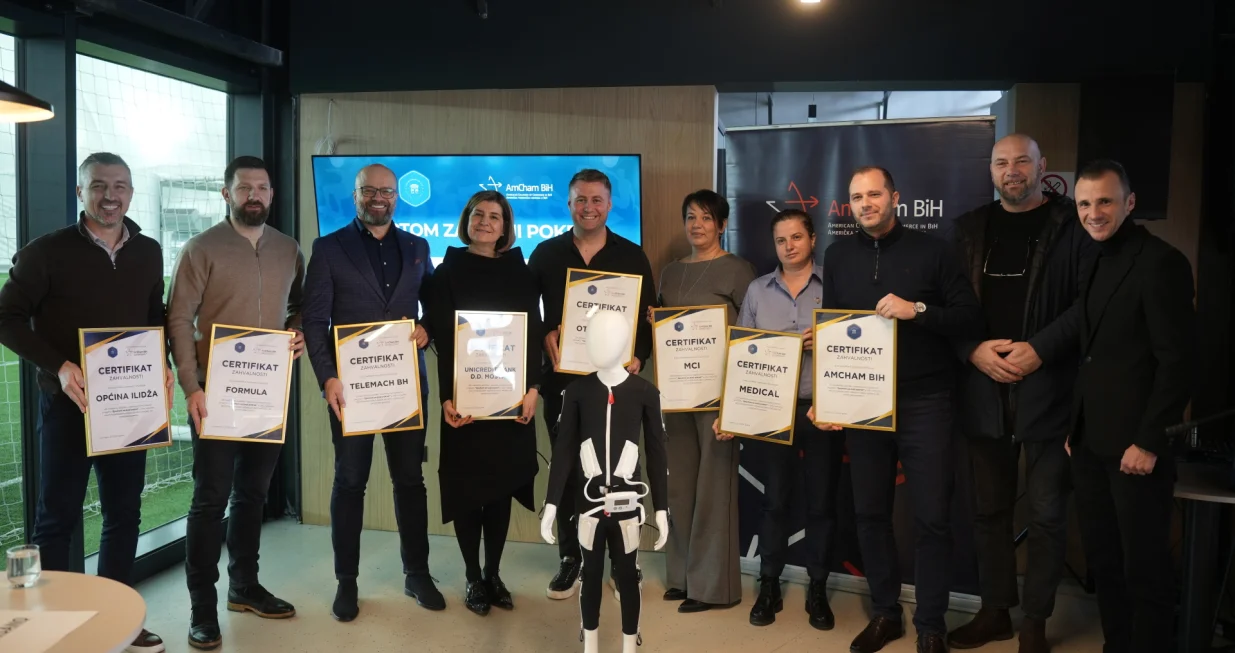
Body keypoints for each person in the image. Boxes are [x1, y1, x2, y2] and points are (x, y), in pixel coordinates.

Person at [0, 152, 170, 653]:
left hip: (130, 404)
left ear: (131, 193)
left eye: (120, 186)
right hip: (68, 407)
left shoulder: (149, 251)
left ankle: (119, 620)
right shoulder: (46, 252)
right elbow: (6, 317)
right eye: (98, 185)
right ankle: (56, 626)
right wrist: (59, 366)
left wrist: (160, 361)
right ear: (81, 192)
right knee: (57, 518)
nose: (110, 196)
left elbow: (153, 314)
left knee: (124, 513)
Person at [817, 166, 982, 653]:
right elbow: (833, 330)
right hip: (863, 402)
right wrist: (830, 397)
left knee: (932, 517)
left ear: (895, 198)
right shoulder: (837, 255)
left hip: (925, 400)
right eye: (856, 197)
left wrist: (918, 310)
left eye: (874, 194)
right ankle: (886, 613)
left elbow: (969, 317)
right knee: (869, 513)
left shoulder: (934, 251)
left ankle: (931, 624)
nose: (865, 203)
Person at [948, 134, 1098, 653]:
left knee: (1047, 514)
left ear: (1042, 166)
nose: (1011, 170)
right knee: (988, 511)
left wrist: (1041, 349)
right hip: (982, 388)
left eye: (1021, 161)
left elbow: (1089, 304)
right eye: (1001, 162)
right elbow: (945, 305)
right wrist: (971, 350)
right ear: (990, 170)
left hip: (1050, 389)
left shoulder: (1072, 226)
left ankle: (1035, 621)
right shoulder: (968, 229)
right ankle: (995, 612)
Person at [168, 156, 305, 650]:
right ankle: (202, 607)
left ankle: (244, 587)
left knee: (252, 495)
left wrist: (298, 331)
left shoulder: (288, 249)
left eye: (262, 188)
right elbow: (179, 319)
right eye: (244, 187)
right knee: (210, 500)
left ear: (271, 194)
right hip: (214, 394)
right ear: (226, 194)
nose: (254, 195)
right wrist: (192, 387)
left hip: (268, 392)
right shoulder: (201, 248)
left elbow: (300, 306)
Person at [301, 163, 441, 623]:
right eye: (369, 191)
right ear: (355, 195)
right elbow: (313, 320)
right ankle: (347, 582)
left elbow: (435, 305)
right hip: (351, 390)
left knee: (410, 481)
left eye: (387, 191)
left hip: (404, 387)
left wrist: (428, 327)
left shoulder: (417, 247)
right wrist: (327, 378)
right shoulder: (328, 248)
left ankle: (417, 573)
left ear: (397, 197)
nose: (378, 198)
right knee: (350, 482)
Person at [1067, 159, 1195, 653]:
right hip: (1090, 442)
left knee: (1145, 570)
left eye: (1104, 201)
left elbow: (1178, 363)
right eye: (1084, 203)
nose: (1093, 213)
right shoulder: (1093, 259)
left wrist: (1149, 441)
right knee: (1105, 563)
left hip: (1137, 448)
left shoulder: (1161, 262)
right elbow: (1092, 353)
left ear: (1130, 203)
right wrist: (1075, 424)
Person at [707, 208, 845, 631]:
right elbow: (741, 355)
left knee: (821, 504)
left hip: (822, 411)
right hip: (771, 410)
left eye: (796, 238)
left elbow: (857, 342)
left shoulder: (836, 284)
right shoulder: (756, 290)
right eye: (781, 240)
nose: (789, 246)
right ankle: (769, 584)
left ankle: (818, 587)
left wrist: (826, 340)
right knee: (775, 501)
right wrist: (729, 411)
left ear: (812, 239)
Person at [527, 168, 656, 599]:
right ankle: (572, 558)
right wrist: (544, 334)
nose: (588, 207)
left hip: (618, 385)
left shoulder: (632, 256)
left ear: (609, 204)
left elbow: (648, 319)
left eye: (596, 199)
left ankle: (624, 562)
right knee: (567, 470)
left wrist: (640, 355)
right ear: (569, 204)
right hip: (563, 383)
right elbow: (527, 314)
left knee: (623, 471)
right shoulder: (546, 254)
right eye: (580, 199)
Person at [426, 190, 542, 616]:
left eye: (495, 216)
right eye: (478, 214)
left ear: (505, 226)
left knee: (499, 491)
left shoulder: (521, 272)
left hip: (511, 402)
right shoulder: (447, 271)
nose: (485, 222)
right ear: (467, 220)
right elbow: (441, 337)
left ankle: (493, 574)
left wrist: (534, 388)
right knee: (466, 490)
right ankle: (473, 576)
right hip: (466, 404)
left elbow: (533, 334)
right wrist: (446, 398)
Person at [650, 190, 756, 613]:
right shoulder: (670, 273)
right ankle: (681, 576)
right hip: (676, 393)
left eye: (707, 218)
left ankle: (712, 587)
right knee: (678, 486)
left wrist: (737, 396)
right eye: (691, 217)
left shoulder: (738, 270)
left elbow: (750, 332)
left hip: (717, 395)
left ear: (722, 225)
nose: (697, 225)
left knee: (714, 489)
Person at [540, 307, 669, 653]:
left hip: (628, 504)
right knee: (590, 574)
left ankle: (629, 645)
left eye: (608, 337)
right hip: (590, 504)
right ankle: (591, 645)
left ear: (625, 342)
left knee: (628, 576)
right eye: (592, 337)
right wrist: (551, 504)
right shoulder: (576, 392)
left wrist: (662, 509)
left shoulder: (645, 392)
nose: (597, 344)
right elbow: (563, 451)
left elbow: (657, 453)